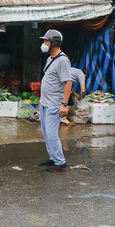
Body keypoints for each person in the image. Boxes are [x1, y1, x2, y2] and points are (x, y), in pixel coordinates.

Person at [38, 29, 72, 173]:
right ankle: (53, 157)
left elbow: (68, 83)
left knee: (52, 134)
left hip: (54, 104)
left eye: (47, 41)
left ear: (54, 43)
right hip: (45, 102)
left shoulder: (62, 60)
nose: (44, 43)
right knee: (46, 133)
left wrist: (64, 104)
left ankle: (60, 163)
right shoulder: (50, 58)